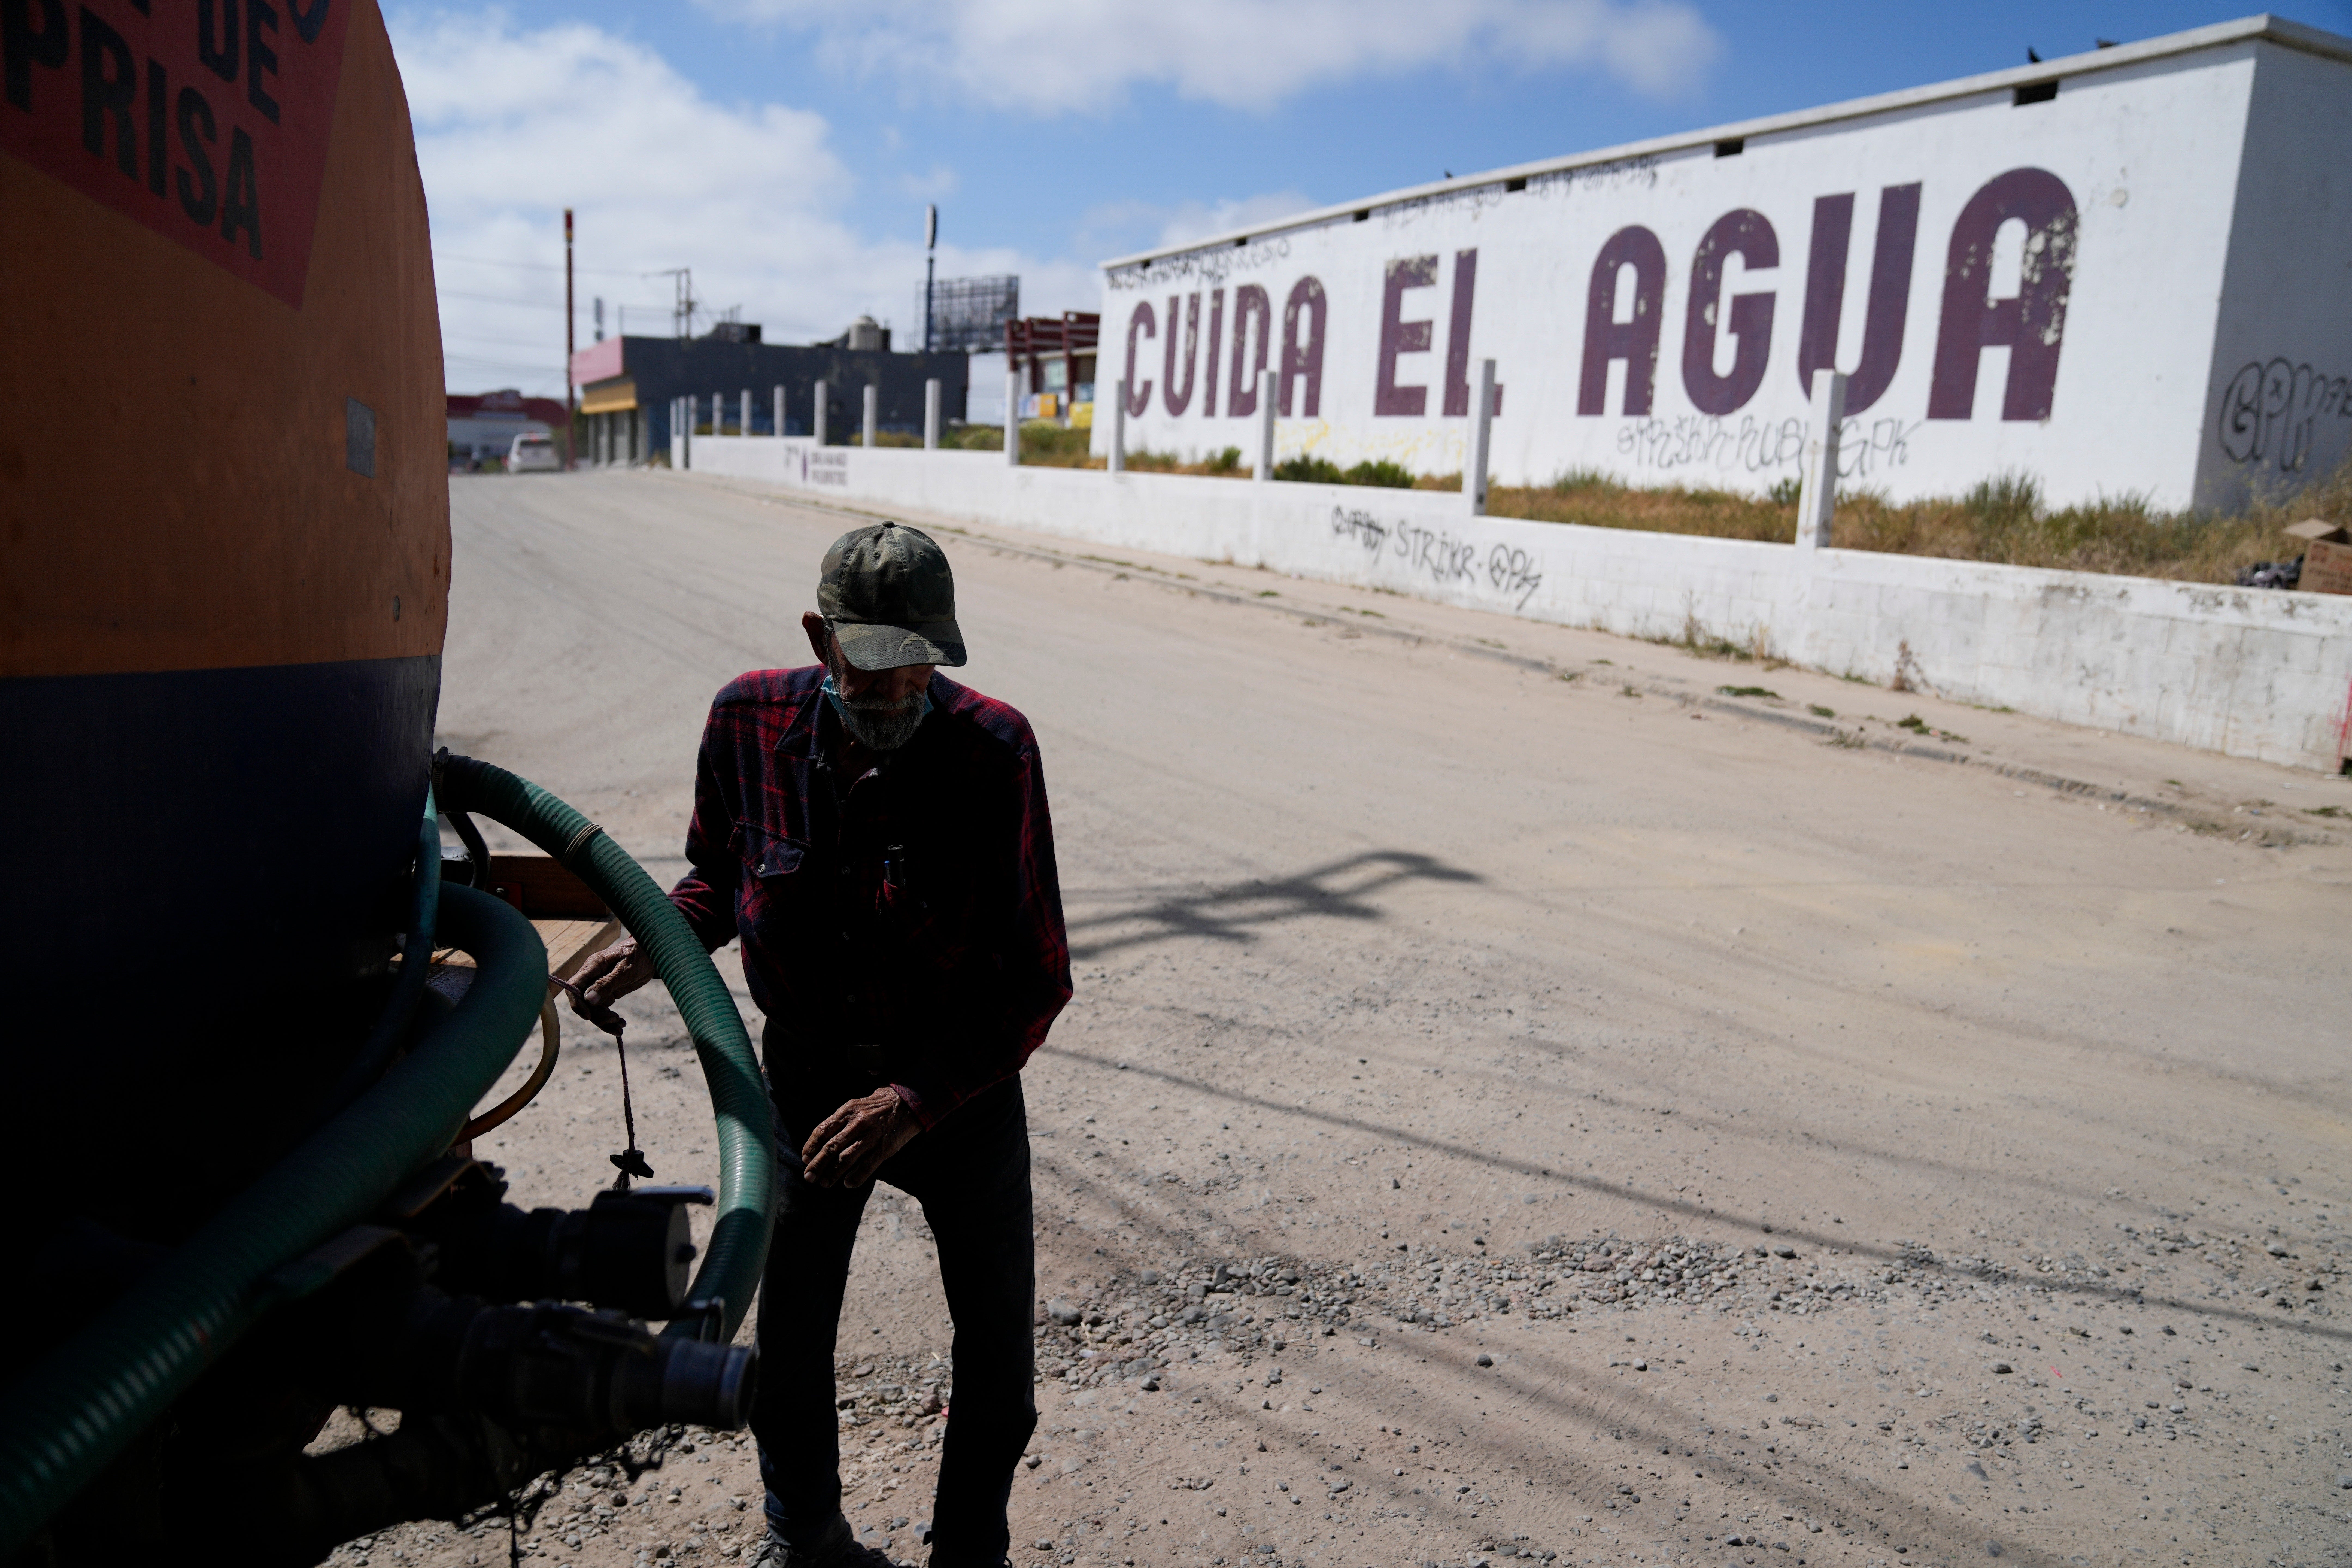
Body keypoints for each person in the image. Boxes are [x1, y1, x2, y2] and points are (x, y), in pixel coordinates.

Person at [570, 521, 1071, 1568]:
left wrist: (913, 1101)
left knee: (998, 1371)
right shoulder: (747, 721)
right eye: (871, 670)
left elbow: (1035, 978)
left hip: (955, 1095)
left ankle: (969, 1554)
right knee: (791, 1344)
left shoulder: (994, 752)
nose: (896, 696)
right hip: (804, 1083)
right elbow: (720, 874)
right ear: (819, 636)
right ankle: (806, 1537)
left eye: (918, 670)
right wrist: (659, 939)